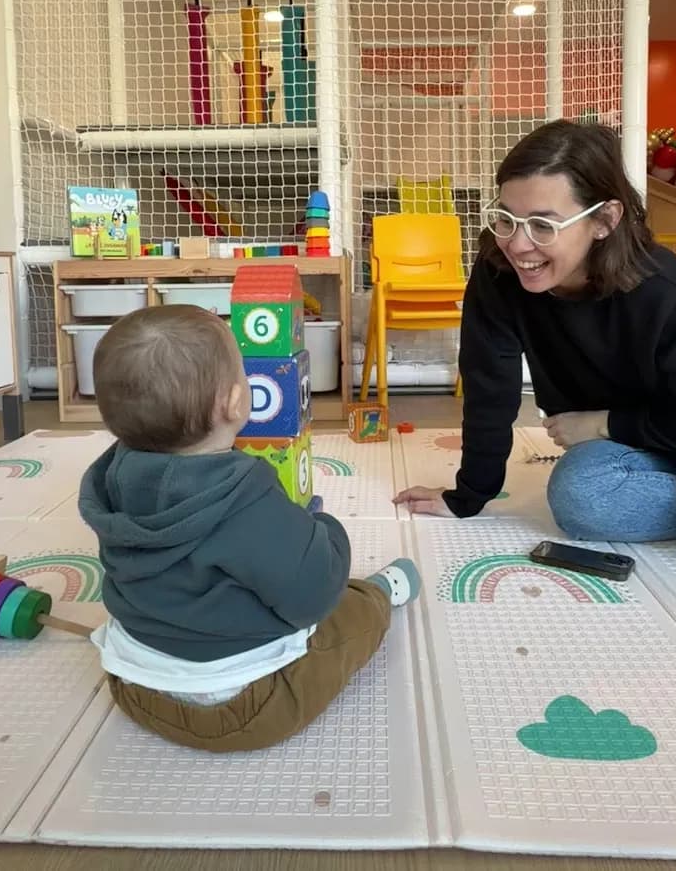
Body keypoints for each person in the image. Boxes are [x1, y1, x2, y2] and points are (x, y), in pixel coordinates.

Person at [394, 119, 676, 578]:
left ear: (604, 221)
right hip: (638, 441)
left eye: (542, 224)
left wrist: (603, 424)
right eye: (507, 218)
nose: (519, 244)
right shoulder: (499, 270)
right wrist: (469, 495)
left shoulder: (671, 301)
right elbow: (489, 384)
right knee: (579, 498)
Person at [80, 304, 421, 752]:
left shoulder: (108, 481)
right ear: (236, 401)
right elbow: (313, 594)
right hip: (246, 706)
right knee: (348, 616)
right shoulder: (245, 497)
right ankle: (382, 593)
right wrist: (323, 527)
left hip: (134, 688)